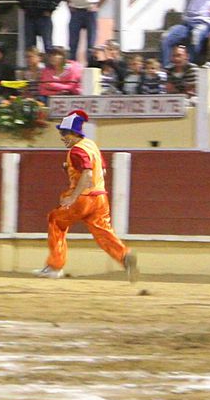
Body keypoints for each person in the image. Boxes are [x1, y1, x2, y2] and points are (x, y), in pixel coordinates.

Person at [33, 109, 137, 281]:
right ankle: (124, 256)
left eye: (65, 133)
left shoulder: (76, 151)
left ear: (74, 133)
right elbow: (101, 169)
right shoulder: (91, 145)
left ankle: (54, 266)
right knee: (103, 233)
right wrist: (70, 168)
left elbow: (87, 173)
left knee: (55, 220)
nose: (62, 137)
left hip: (83, 199)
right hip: (101, 198)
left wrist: (72, 197)